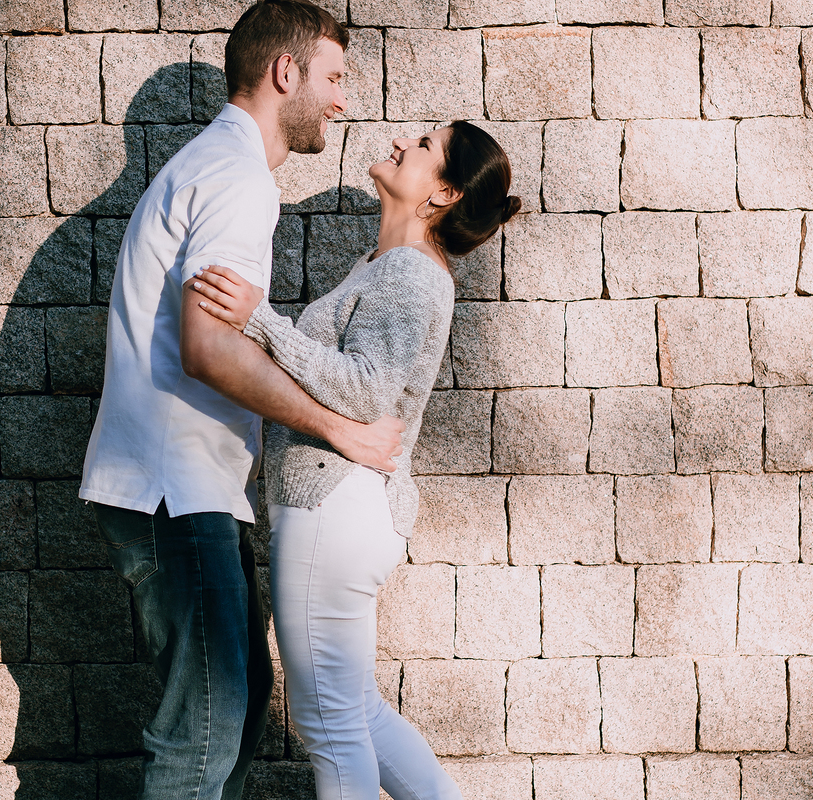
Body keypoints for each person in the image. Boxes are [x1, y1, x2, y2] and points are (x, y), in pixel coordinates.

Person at [79, 3, 407, 799]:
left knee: (242, 700)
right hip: (173, 489)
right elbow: (208, 347)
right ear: (285, 72)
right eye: (334, 77)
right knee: (203, 733)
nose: (342, 100)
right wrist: (338, 428)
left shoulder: (217, 166)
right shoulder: (237, 179)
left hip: (186, 488)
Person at [192, 121, 522, 799]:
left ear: (444, 193)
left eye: (424, 146)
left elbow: (366, 389)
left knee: (329, 724)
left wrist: (260, 320)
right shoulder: (384, 264)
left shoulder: (410, 272)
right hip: (340, 508)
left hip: (334, 509)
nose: (402, 142)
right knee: (356, 713)